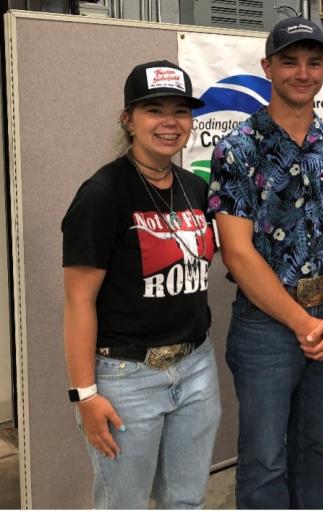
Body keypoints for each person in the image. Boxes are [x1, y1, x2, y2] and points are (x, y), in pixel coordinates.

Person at [207, 16, 323, 509]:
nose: (303, 72)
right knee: (264, 458)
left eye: (313, 62)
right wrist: (302, 323)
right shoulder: (238, 150)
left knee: (316, 450)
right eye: (290, 61)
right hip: (268, 329)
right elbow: (236, 250)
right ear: (268, 67)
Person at [62, 60, 220, 508]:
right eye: (154, 109)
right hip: (127, 378)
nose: (170, 123)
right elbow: (78, 302)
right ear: (128, 118)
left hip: (196, 368)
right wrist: (86, 395)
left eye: (180, 111)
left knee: (185, 501)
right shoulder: (102, 194)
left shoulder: (194, 188)